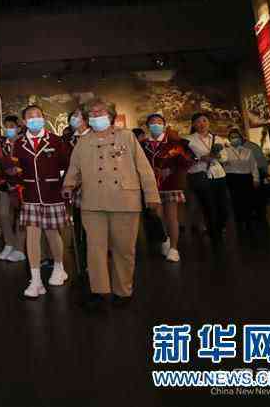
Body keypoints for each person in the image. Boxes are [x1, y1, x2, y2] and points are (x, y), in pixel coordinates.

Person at [63, 99, 160, 310]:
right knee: (95, 250)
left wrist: (152, 195)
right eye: (92, 113)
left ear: (110, 115)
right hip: (93, 203)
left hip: (125, 200)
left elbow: (144, 169)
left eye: (101, 111)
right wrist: (68, 186)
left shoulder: (127, 137)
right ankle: (100, 291)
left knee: (124, 249)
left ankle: (123, 291)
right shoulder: (83, 142)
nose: (96, 115)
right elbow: (74, 168)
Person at [14, 105, 71, 298]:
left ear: (44, 118)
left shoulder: (55, 140)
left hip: (52, 193)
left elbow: (66, 166)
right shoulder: (19, 143)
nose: (34, 119)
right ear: (24, 121)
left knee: (52, 233)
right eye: (30, 116)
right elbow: (17, 168)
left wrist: (64, 187)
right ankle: (36, 279)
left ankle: (59, 266)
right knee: (32, 235)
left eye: (38, 115)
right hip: (30, 194)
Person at [141, 114, 194, 263]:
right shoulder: (143, 144)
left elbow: (186, 162)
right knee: (157, 217)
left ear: (164, 125)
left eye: (159, 122)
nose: (155, 125)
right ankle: (165, 240)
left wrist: (170, 170)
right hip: (151, 186)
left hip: (170, 184)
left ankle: (174, 248)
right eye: (152, 122)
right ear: (147, 126)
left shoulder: (174, 142)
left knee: (171, 217)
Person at [183, 113, 230, 243]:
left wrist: (218, 157)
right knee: (209, 207)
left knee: (224, 208)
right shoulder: (188, 140)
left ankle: (218, 230)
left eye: (204, 121)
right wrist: (200, 158)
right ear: (193, 124)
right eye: (198, 122)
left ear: (208, 123)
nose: (202, 124)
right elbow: (184, 159)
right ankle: (215, 237)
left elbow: (225, 156)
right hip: (201, 176)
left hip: (219, 175)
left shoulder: (217, 138)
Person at [0, 115, 26, 262]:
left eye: (12, 126)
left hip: (22, 187)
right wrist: (1, 175)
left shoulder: (24, 143)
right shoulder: (1, 145)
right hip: (5, 185)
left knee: (20, 217)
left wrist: (18, 172)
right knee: (4, 214)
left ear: (18, 128)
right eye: (6, 126)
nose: (8, 129)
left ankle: (19, 248)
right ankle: (9, 243)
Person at [62, 107, 90, 271]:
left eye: (78, 116)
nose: (75, 119)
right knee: (79, 225)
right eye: (72, 116)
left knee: (92, 227)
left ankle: (92, 259)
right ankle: (83, 259)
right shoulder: (67, 140)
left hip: (93, 188)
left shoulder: (93, 137)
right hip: (74, 189)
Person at [222, 128, 260, 231]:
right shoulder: (225, 151)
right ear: (229, 139)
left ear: (241, 138)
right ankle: (238, 222)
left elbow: (253, 166)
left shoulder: (248, 151)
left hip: (246, 177)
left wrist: (256, 178)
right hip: (232, 177)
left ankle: (248, 221)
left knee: (247, 199)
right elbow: (223, 163)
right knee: (235, 200)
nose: (235, 139)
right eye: (232, 137)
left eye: (236, 137)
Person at [242, 133, 270, 225]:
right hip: (257, 173)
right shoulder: (253, 146)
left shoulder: (247, 147)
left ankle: (259, 217)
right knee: (258, 198)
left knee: (256, 197)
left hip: (254, 174)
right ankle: (260, 216)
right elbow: (263, 162)